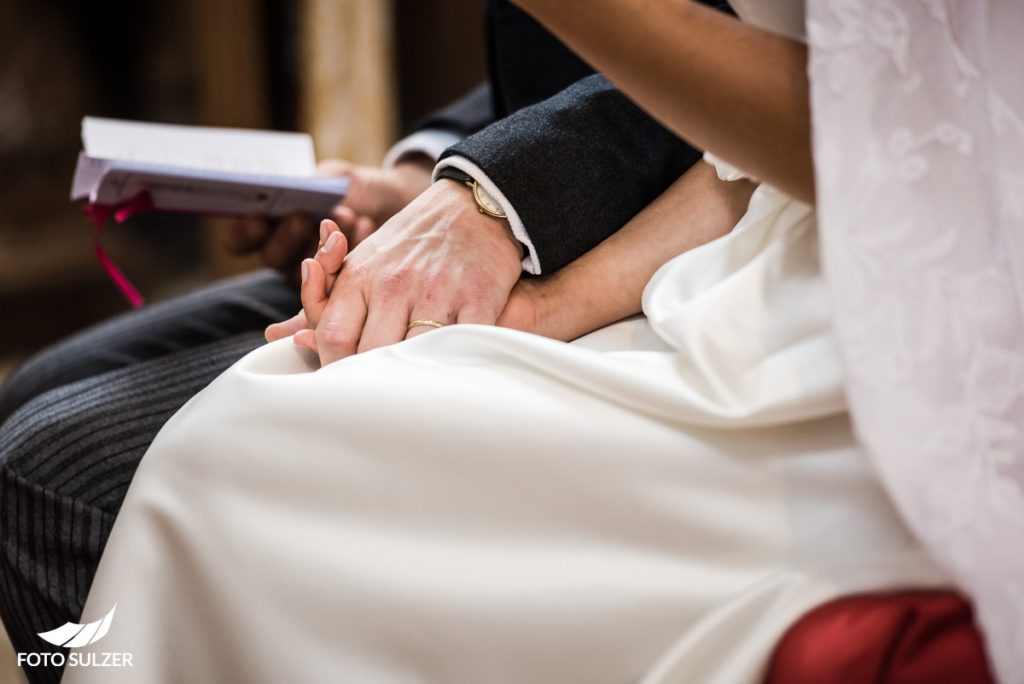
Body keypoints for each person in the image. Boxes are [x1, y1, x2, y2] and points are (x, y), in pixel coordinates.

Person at [53, 3, 983, 682]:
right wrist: (430, 184)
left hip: (882, 283)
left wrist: (504, 206)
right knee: (65, 418)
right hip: (724, 231)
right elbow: (771, 115)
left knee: (150, 468)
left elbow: (856, 103)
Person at [0, 2, 733, 682]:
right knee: (35, 391)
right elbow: (550, 52)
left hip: (683, 250)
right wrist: (415, 179)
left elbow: (754, 63)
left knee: (53, 471)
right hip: (543, 185)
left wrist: (496, 197)